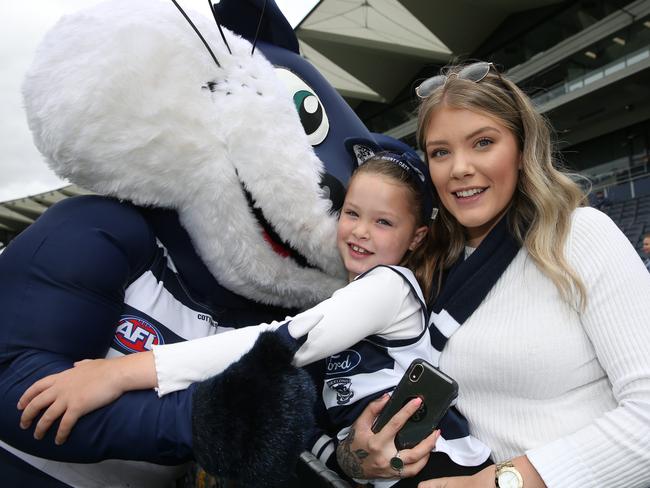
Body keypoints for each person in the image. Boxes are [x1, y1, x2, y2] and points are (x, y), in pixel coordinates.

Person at [17, 152, 492, 487]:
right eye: (351, 213)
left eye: (384, 222)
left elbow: (283, 342)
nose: (361, 232)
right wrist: (347, 458)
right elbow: (318, 430)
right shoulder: (342, 298)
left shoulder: (389, 287)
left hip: (443, 469)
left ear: (417, 237)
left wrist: (120, 371)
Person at [337, 61, 650, 488]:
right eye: (440, 152)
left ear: (521, 149)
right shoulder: (418, 269)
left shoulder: (580, 235)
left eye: (483, 142)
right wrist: (359, 457)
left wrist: (491, 484)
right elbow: (367, 420)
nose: (459, 168)